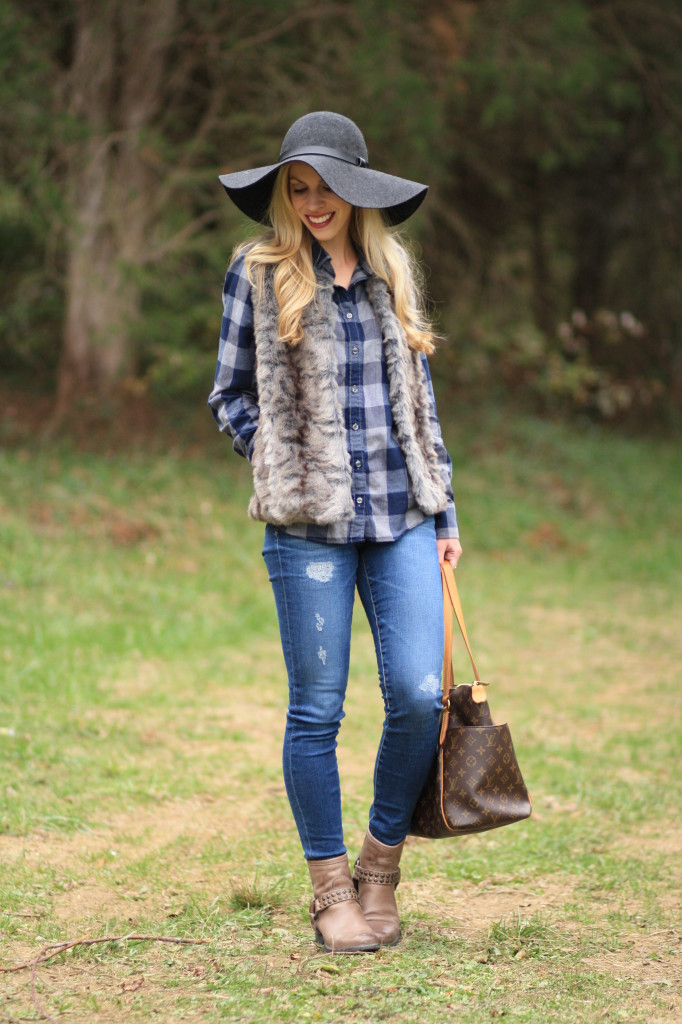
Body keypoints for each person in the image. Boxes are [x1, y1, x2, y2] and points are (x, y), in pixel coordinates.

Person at [208, 112, 462, 954]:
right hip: (308, 526)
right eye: (298, 187)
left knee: (421, 696)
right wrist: (280, 461)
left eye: (326, 187)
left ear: (358, 191)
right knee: (316, 710)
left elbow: (419, 403)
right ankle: (330, 890)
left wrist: (445, 512)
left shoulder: (391, 273)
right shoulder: (259, 272)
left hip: (402, 514)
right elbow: (230, 396)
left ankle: (380, 869)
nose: (313, 203)